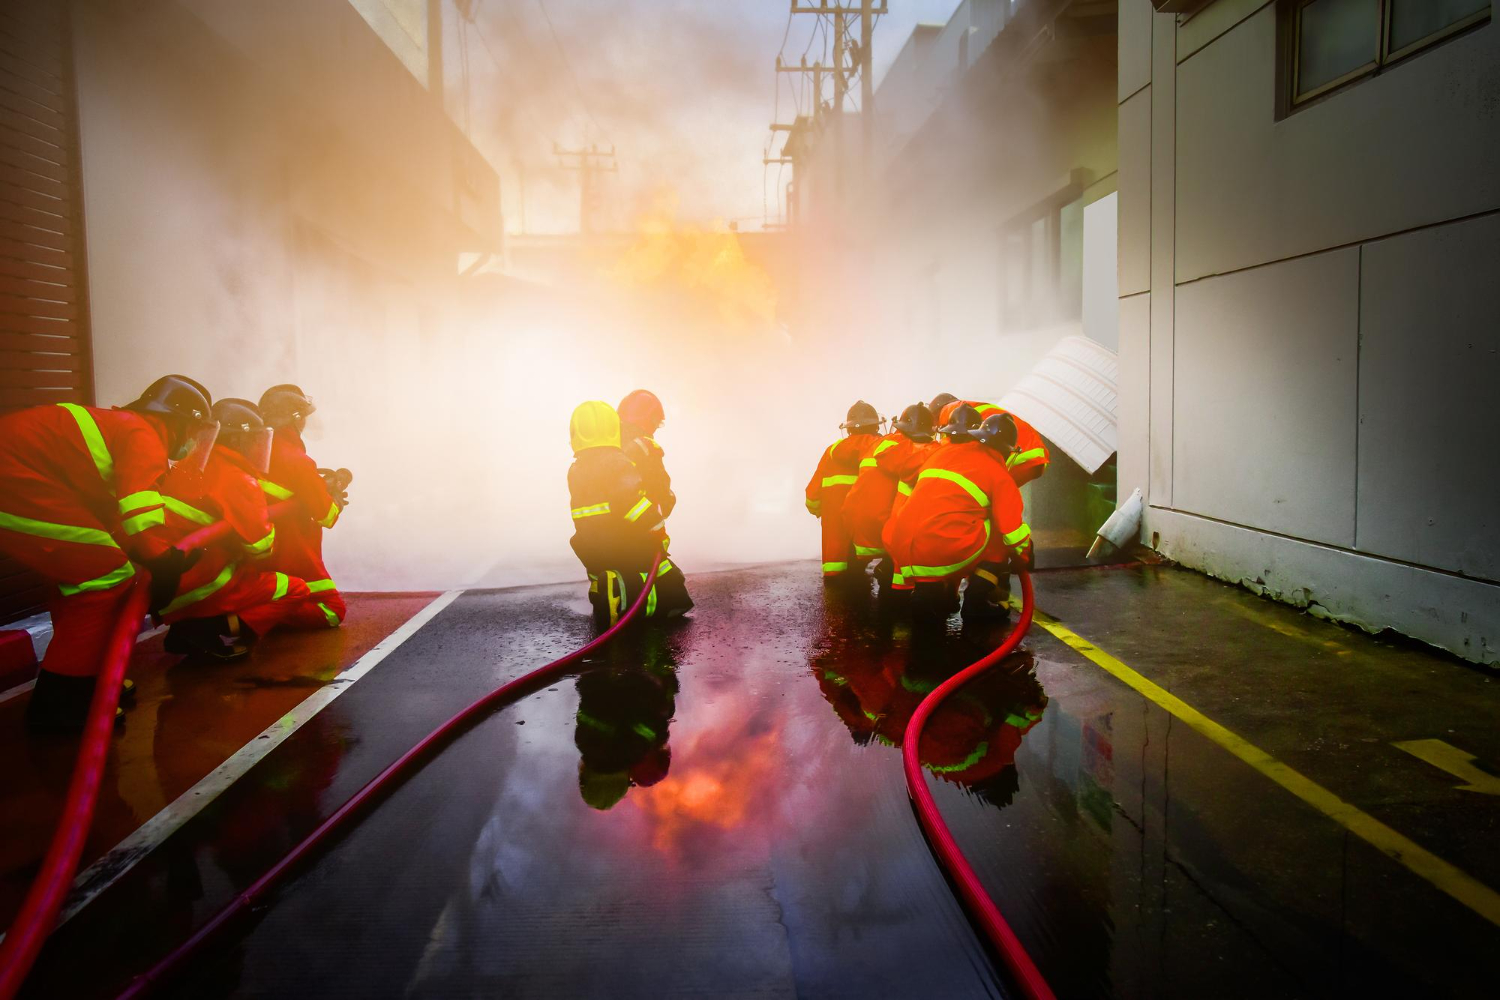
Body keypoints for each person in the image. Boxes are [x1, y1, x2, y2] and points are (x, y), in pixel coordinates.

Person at [0, 375, 215, 732]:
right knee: (106, 576)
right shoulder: (144, 434)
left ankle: (90, 678)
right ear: (178, 422)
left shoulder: (122, 426)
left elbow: (114, 519)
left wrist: (153, 556)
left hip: (19, 478)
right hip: (14, 481)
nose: (193, 441)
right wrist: (162, 561)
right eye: (193, 430)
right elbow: (140, 516)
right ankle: (65, 702)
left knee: (81, 577)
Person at [157, 399, 316, 660]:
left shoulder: (188, 466)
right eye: (254, 439)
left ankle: (184, 628)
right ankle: (206, 629)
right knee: (294, 589)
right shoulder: (239, 479)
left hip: (167, 580)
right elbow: (260, 549)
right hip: (201, 582)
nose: (259, 446)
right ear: (238, 442)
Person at [884, 406, 1034, 622]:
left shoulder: (941, 453)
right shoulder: (999, 474)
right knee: (999, 534)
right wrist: (1025, 556)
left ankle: (929, 596)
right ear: (1007, 450)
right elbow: (1012, 533)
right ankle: (975, 601)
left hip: (902, 547)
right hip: (940, 548)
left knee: (956, 517)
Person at [567, 401, 687, 627]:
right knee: (671, 586)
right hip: (622, 541)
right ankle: (629, 603)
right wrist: (656, 526)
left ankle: (607, 595)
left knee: (604, 574)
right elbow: (631, 503)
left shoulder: (576, 469)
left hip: (590, 545)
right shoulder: (616, 462)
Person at [257, 384, 348, 629]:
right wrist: (335, 500)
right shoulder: (297, 460)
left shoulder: (257, 451)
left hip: (258, 551)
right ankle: (253, 618)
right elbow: (326, 516)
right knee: (332, 611)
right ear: (294, 420)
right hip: (292, 550)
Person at [841, 403, 935, 592]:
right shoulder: (912, 448)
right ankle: (890, 579)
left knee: (854, 577)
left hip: (852, 513)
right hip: (883, 521)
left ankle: (853, 591)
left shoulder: (880, 443)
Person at [617, 389, 691, 616]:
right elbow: (663, 494)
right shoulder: (646, 447)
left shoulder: (611, 449)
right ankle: (638, 610)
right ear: (648, 420)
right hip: (642, 538)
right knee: (678, 597)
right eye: (656, 423)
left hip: (611, 543)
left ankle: (617, 595)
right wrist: (665, 505)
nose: (656, 428)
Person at [804, 400, 882, 582]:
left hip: (835, 560)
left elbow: (812, 496)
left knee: (835, 607)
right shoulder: (882, 450)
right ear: (875, 426)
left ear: (848, 429)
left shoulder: (832, 452)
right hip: (867, 541)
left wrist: (822, 511)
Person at [933, 394, 1050, 486]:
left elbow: (950, 450)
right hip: (1034, 455)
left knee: (986, 496)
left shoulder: (950, 411)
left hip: (1017, 455)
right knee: (997, 499)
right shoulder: (975, 407)